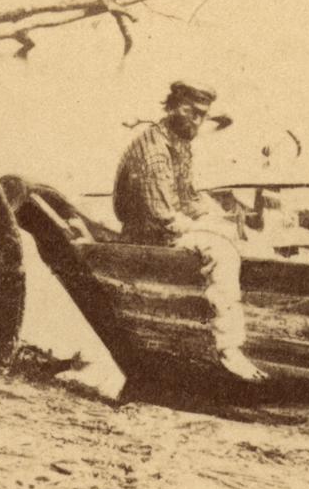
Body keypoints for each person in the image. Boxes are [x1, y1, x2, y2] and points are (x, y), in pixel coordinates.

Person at [111, 82, 261, 384]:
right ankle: (228, 346)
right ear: (171, 106)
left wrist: (220, 219)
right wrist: (215, 232)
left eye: (202, 115)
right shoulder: (153, 152)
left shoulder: (179, 142)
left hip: (166, 224)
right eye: (190, 112)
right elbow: (164, 218)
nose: (196, 121)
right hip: (148, 236)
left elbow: (189, 198)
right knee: (222, 253)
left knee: (233, 233)